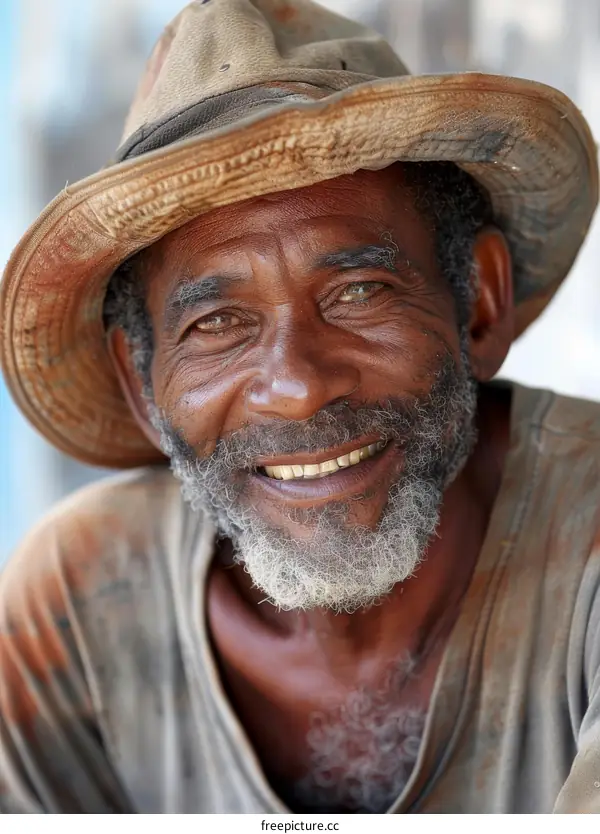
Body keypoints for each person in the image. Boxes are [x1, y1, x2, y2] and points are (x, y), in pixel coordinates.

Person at [0, 0, 599, 815]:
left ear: (479, 307)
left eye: (359, 291)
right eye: (218, 324)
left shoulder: (586, 540)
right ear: (142, 384)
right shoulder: (77, 603)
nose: (299, 384)